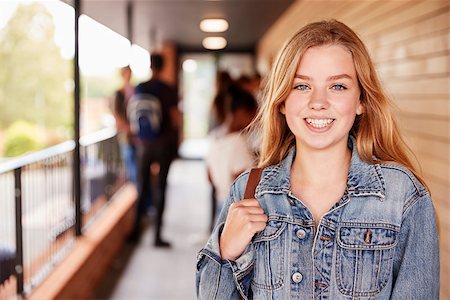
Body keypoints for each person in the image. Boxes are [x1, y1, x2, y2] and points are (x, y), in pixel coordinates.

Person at [196, 20, 440, 299]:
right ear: (283, 101)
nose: (318, 102)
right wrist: (226, 251)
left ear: (361, 100)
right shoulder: (248, 192)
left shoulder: (404, 197)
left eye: (337, 86)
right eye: (302, 86)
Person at [130, 54, 180, 247]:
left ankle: (135, 232)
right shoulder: (167, 89)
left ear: (150, 65)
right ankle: (157, 236)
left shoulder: (139, 87)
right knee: (161, 188)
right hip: (163, 144)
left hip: (143, 145)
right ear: (164, 65)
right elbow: (175, 118)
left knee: (142, 186)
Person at [206, 85, 258, 221]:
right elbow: (241, 181)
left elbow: (209, 176)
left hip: (220, 201)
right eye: (252, 115)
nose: (253, 122)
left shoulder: (215, 136)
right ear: (241, 112)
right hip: (236, 206)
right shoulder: (237, 142)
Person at [112, 66, 137, 185]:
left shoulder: (135, 90)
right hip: (125, 133)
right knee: (130, 161)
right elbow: (117, 114)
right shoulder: (119, 93)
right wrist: (127, 127)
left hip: (136, 134)